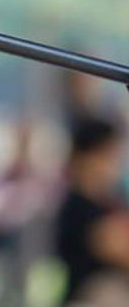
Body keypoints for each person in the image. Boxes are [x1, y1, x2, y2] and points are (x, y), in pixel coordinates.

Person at [55, 115, 129, 306]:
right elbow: (119, 249)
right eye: (109, 154)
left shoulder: (111, 202)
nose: (116, 164)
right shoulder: (77, 207)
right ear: (86, 156)